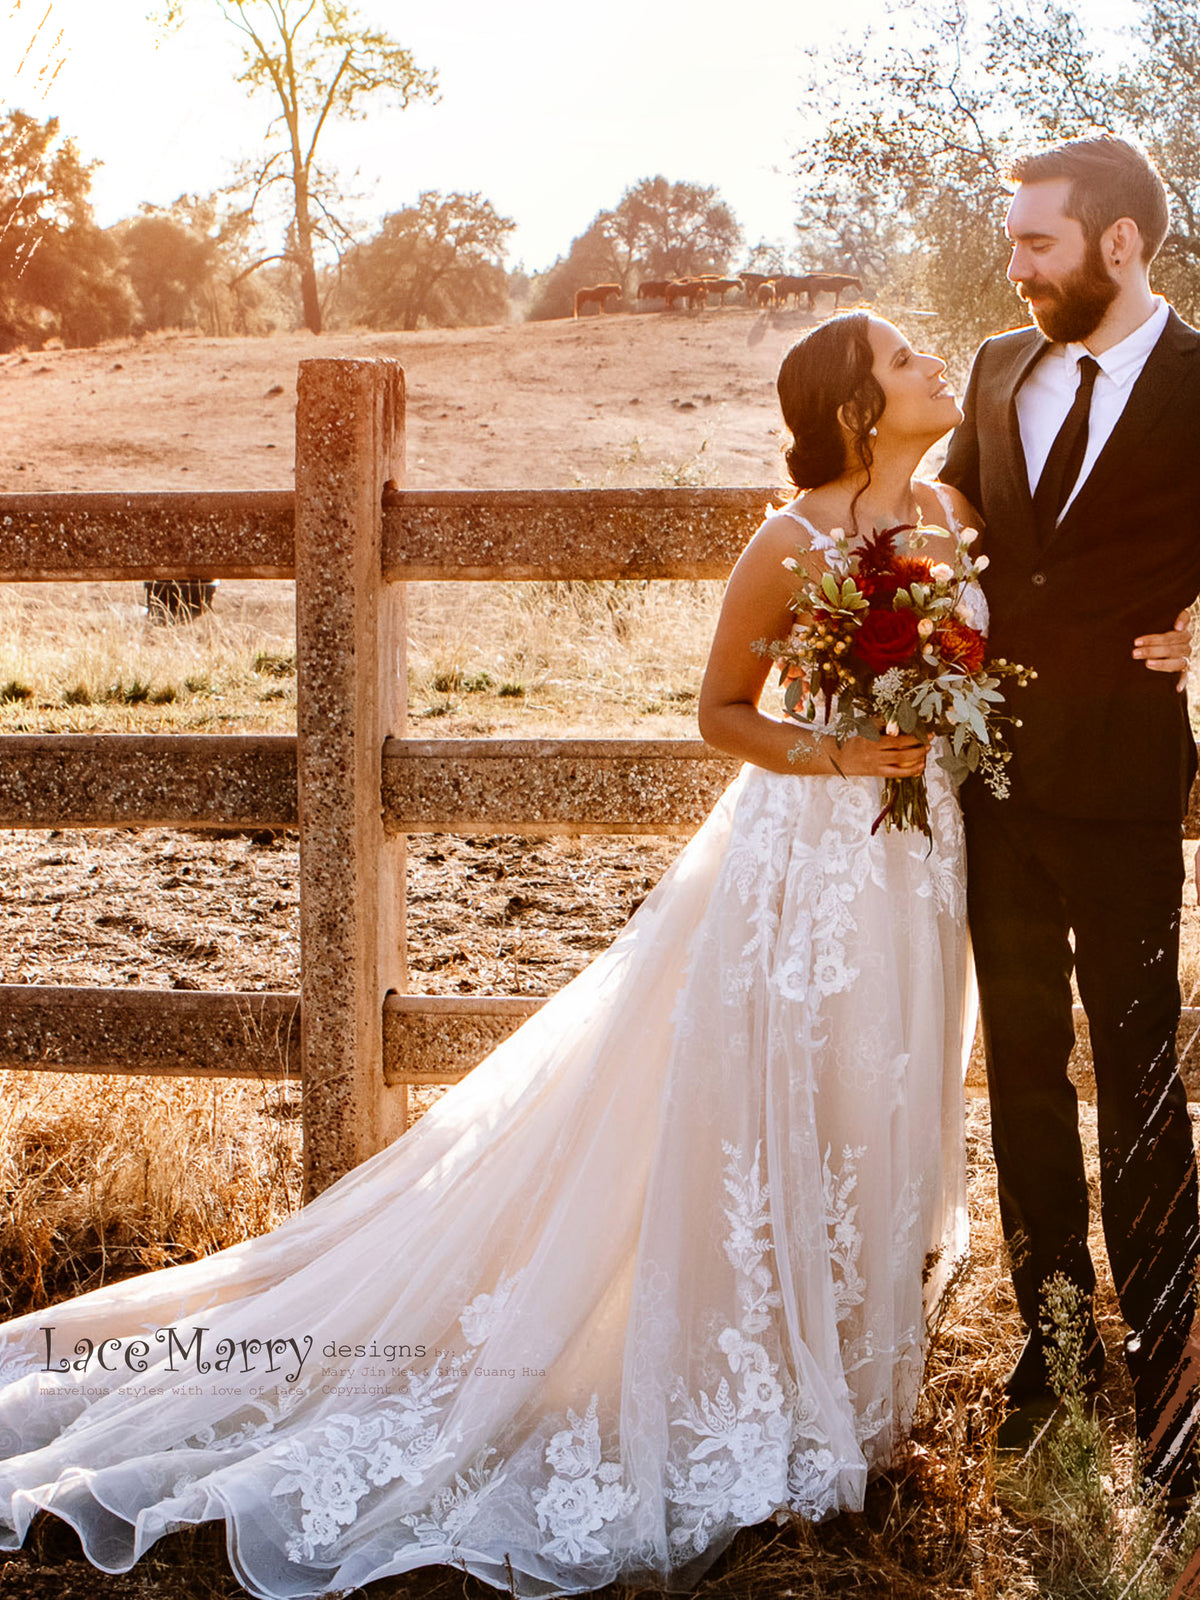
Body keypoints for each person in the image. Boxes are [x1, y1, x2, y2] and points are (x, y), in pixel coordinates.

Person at [0, 316, 1185, 1600]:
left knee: (883, 1103)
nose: (932, 371)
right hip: (811, 866)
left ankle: (845, 1379)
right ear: (855, 406)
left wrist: (1185, 620)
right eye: (904, 362)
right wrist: (840, 751)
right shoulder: (788, 541)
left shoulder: (958, 516)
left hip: (920, 863)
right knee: (778, 1102)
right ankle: (752, 1380)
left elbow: (1094, 572)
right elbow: (722, 713)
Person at [940, 133, 1200, 1508]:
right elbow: (945, 495)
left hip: (1124, 792)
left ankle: (1175, 1372)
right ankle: (1055, 1357)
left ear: (1119, 243)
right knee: (1025, 1075)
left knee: (1146, 1078)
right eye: (1014, 242)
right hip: (994, 794)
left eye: (1038, 242)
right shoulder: (997, 367)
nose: (1016, 265)